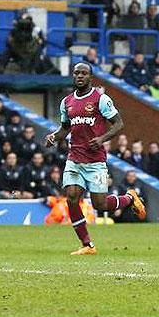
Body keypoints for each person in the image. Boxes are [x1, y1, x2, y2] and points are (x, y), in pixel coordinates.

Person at [44, 62, 146, 254]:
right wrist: (54, 137)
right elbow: (66, 127)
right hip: (74, 159)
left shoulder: (101, 99)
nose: (80, 76)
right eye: (77, 73)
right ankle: (87, 245)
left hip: (95, 162)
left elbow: (118, 123)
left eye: (84, 73)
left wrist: (102, 138)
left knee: (100, 204)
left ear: (91, 78)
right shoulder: (66, 102)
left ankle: (129, 199)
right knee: (72, 198)